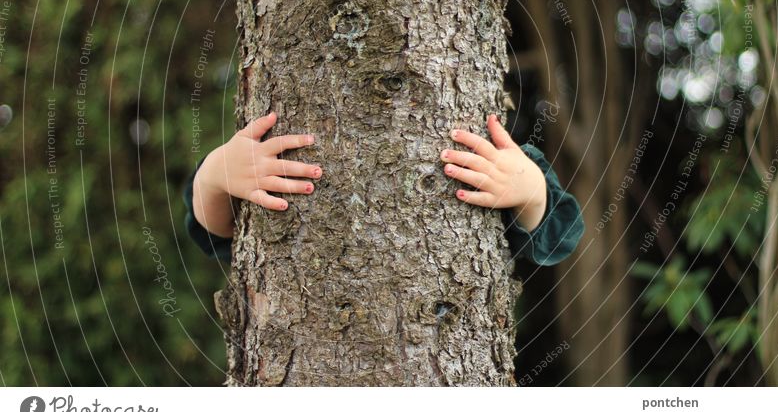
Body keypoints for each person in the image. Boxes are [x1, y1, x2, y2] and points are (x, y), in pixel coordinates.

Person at [183, 112, 584, 266]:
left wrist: (532, 190)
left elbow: (551, 238)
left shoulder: (496, 161)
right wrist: (214, 175)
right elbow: (220, 232)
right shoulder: (254, 159)